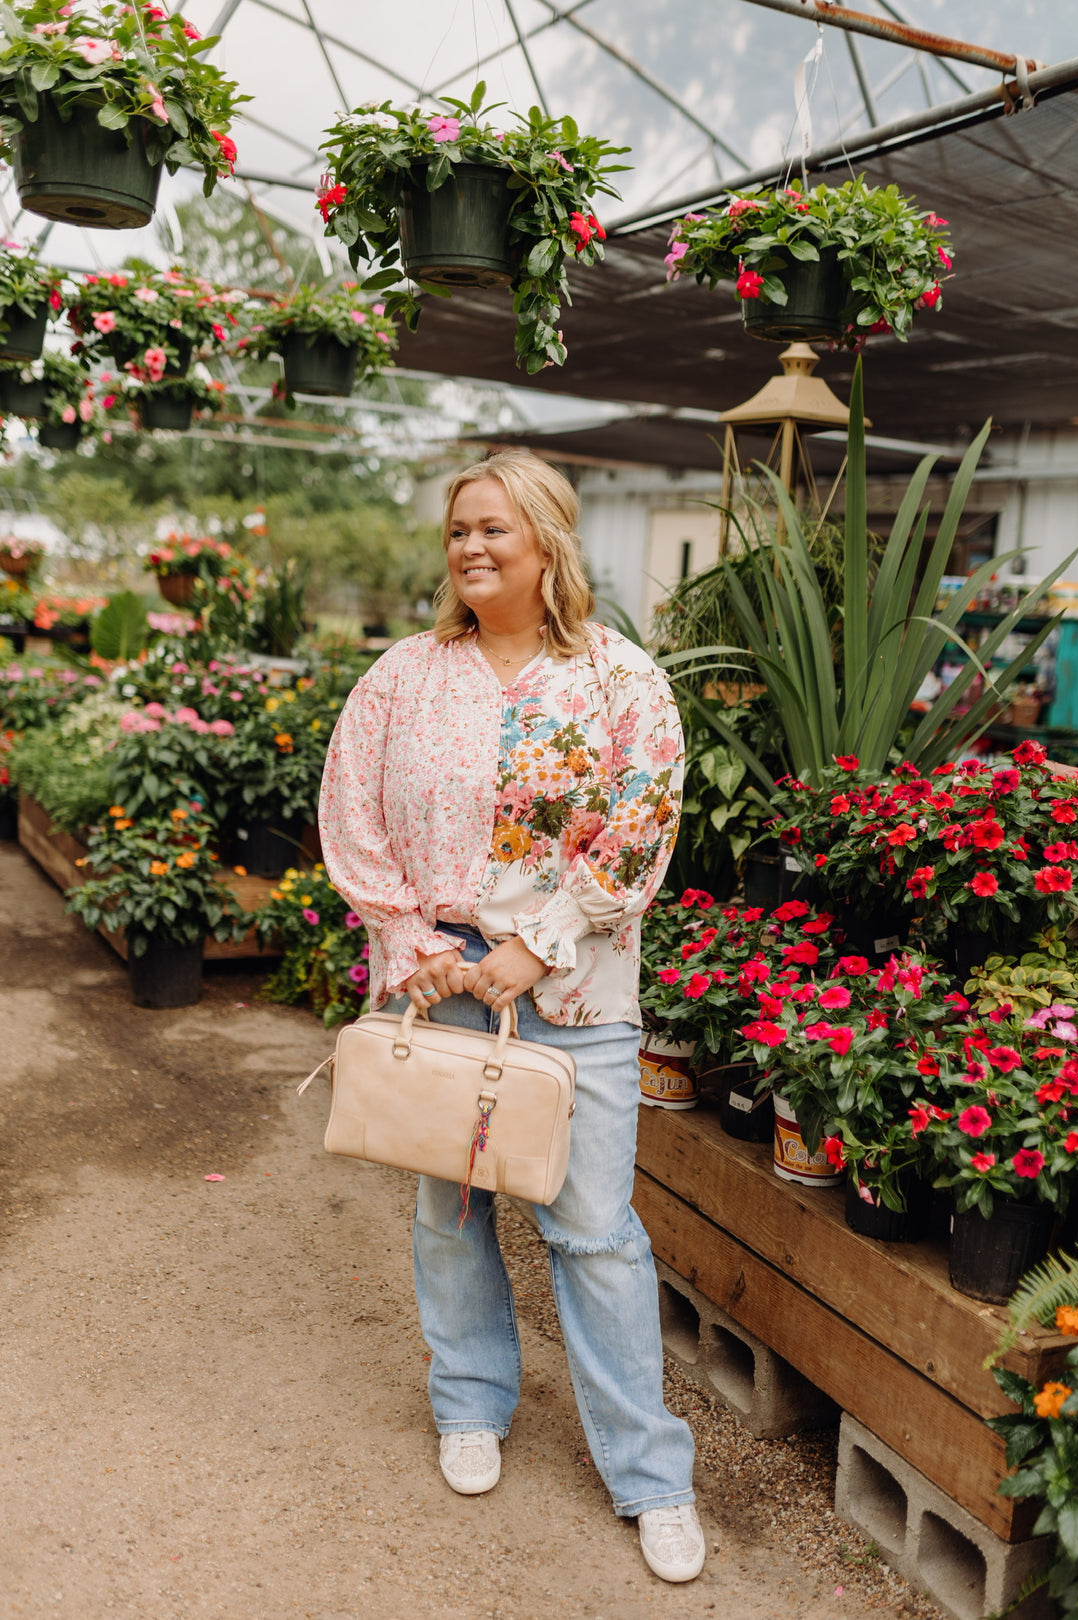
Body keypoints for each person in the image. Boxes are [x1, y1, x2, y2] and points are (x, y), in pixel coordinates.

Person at [319, 448, 704, 1583]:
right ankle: (470, 1404)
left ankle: (653, 1480)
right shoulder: (405, 675)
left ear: (547, 540)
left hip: (576, 996)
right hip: (443, 990)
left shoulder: (622, 681)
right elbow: (351, 805)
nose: (472, 547)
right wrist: (413, 941)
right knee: (450, 1215)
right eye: (458, 531)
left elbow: (641, 822)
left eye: (495, 528)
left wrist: (538, 947)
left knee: (595, 1235)